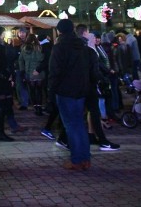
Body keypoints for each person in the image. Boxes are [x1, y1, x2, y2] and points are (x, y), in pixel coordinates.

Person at [46, 19, 93, 170]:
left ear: (59, 31)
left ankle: (77, 159)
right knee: (79, 124)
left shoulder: (59, 47)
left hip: (65, 90)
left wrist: (51, 92)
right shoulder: (81, 46)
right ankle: (85, 158)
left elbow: (54, 72)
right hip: (80, 90)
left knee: (71, 126)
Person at [18, 33, 45, 115]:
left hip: (28, 72)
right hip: (38, 72)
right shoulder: (38, 47)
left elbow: (20, 60)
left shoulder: (23, 48)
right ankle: (39, 107)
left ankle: (35, 107)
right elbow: (41, 58)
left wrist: (22, 70)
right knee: (39, 90)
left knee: (32, 90)